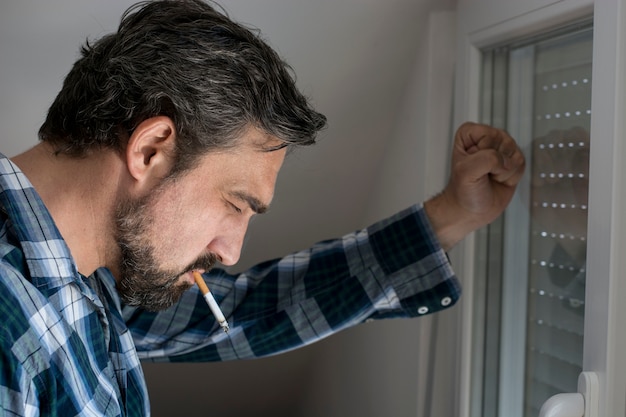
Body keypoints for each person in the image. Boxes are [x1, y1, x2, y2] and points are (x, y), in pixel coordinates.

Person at [0, 0, 525, 415]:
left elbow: (253, 310)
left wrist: (453, 214)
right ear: (151, 150)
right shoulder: (11, 332)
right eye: (235, 203)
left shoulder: (87, 271)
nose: (230, 252)